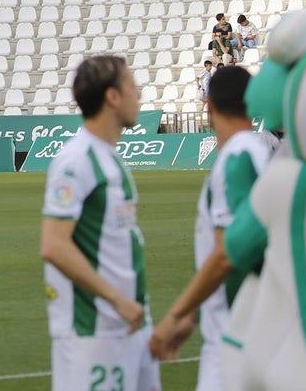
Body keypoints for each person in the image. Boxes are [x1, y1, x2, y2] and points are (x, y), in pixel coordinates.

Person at [149, 66, 274, 390]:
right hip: (254, 327)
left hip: (237, 336)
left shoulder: (237, 158)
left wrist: (177, 314)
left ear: (209, 105)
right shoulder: (258, 154)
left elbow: (228, 254)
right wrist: (194, 317)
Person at [40, 55, 159, 391]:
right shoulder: (76, 161)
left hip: (129, 323)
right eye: (132, 86)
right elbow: (54, 245)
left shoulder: (109, 156)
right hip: (95, 330)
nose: (139, 94)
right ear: (112, 97)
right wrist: (116, 299)